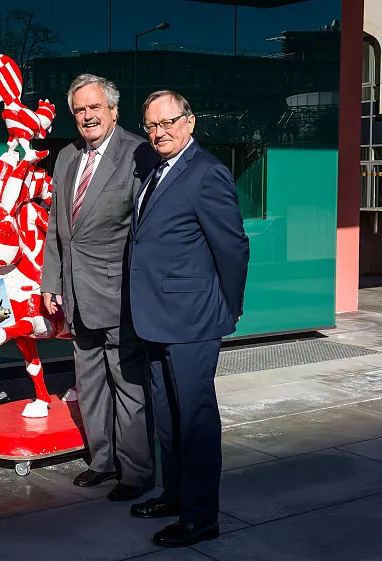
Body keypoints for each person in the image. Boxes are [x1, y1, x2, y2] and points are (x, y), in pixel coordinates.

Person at [128, 90, 249, 547]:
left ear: (190, 122)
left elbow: (233, 247)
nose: (160, 132)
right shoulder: (157, 172)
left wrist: (228, 307)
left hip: (193, 319)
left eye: (169, 122)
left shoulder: (207, 173)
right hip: (156, 318)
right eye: (152, 125)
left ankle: (201, 515)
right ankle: (175, 493)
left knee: (195, 419)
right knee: (167, 414)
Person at [40, 74, 156, 500]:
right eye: (80, 110)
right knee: (89, 383)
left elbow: (147, 229)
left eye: (95, 108)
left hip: (120, 294)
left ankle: (137, 472)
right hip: (75, 294)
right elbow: (58, 226)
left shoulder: (137, 153)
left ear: (113, 111)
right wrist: (51, 281)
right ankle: (102, 461)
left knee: (128, 386)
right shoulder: (67, 157)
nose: (87, 116)